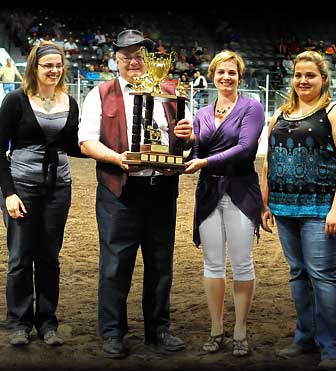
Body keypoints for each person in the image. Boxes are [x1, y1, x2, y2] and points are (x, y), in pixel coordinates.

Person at [78, 28, 193, 359]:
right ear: (116, 60)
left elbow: (185, 140)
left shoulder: (171, 92)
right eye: (126, 56)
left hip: (162, 189)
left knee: (161, 264)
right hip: (120, 192)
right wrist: (116, 158)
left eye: (139, 56)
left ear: (150, 59)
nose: (132, 62)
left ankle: (159, 328)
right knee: (115, 264)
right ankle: (113, 331)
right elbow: (87, 141)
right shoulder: (99, 93)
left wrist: (188, 135)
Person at [261, 51, 336, 370]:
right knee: (298, 273)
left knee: (323, 275)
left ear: (323, 79)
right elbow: (269, 162)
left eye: (310, 75)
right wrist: (265, 203)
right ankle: (306, 338)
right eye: (298, 75)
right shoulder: (280, 114)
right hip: (284, 207)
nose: (302, 80)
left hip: (321, 208)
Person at [181, 50, 265, 356]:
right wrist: (183, 146)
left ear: (239, 76)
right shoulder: (202, 114)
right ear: (213, 76)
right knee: (212, 263)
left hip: (241, 190)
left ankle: (240, 330)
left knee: (242, 262)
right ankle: (216, 328)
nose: (226, 77)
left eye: (232, 72)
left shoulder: (252, 108)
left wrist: (203, 161)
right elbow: (193, 152)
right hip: (208, 193)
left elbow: (245, 149)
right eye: (221, 72)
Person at [0, 41, 84, 347]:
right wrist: (8, 193)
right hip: (22, 186)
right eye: (48, 65)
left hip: (59, 187)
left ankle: (47, 322)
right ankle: (18, 322)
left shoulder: (70, 102)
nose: (54, 70)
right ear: (34, 67)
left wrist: (111, 153)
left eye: (58, 65)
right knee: (20, 257)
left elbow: (75, 146)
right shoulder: (15, 101)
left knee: (50, 257)